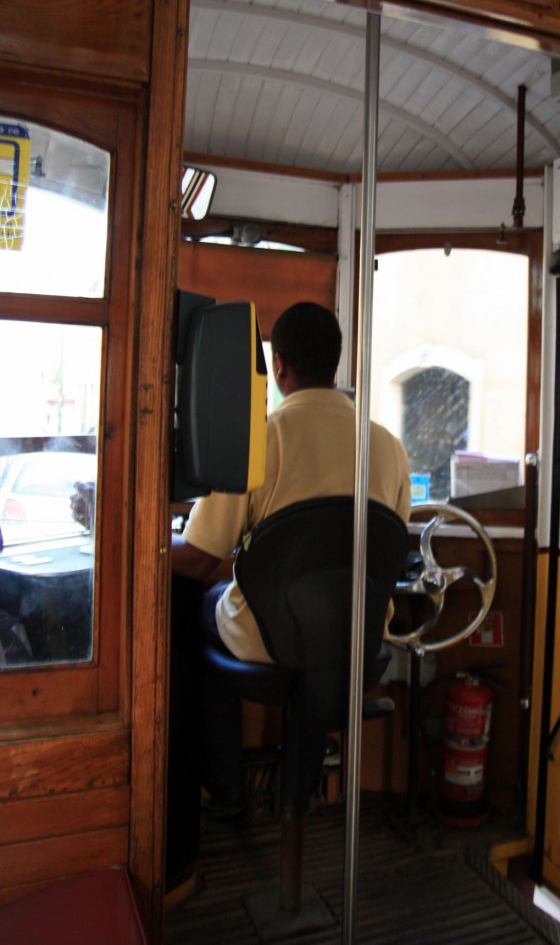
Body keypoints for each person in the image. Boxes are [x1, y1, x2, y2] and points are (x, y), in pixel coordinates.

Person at [169, 301, 411, 826]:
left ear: (278, 365)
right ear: (335, 363)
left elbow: (202, 556)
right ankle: (298, 792)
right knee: (314, 636)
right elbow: (386, 548)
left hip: (268, 644)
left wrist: (141, 545)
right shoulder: (388, 447)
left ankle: (227, 792)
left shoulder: (262, 438)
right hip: (356, 641)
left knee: (198, 611)